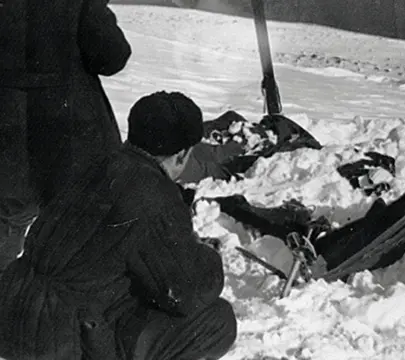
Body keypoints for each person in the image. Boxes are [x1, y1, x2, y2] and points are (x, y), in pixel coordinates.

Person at [0, 91, 237, 360]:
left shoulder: (95, 164)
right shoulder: (153, 192)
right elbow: (185, 293)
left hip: (14, 309)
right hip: (61, 338)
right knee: (217, 320)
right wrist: (208, 258)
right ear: (182, 155)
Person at [0, 0, 132, 271]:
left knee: (6, 222)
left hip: (7, 132)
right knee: (73, 234)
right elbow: (112, 57)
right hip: (69, 136)